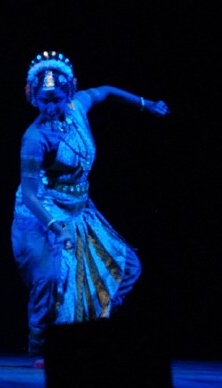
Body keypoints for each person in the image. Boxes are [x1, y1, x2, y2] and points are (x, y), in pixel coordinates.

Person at [12, 51, 168, 367]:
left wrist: (145, 103)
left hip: (79, 208)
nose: (50, 107)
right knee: (54, 278)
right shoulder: (34, 138)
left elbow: (107, 90)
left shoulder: (78, 106)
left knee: (127, 267)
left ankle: (87, 334)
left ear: (69, 92)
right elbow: (30, 195)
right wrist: (56, 227)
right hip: (43, 213)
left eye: (56, 98)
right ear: (34, 97)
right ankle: (43, 347)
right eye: (43, 100)